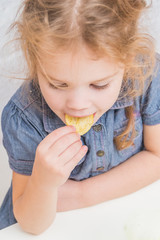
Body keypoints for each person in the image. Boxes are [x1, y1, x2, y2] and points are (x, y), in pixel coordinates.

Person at [1, 0, 160, 235]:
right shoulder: (24, 117)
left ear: (126, 60)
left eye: (99, 84)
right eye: (57, 84)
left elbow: (156, 156)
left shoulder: (146, 76)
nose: (78, 105)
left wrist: (79, 194)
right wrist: (43, 184)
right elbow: (31, 224)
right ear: (35, 63)